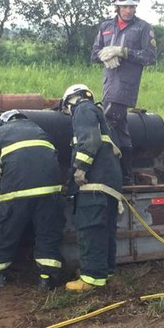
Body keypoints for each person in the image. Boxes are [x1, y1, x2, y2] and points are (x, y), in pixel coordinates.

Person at [0, 109, 66, 291]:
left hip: (16, 194)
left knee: (5, 233)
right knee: (48, 233)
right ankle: (46, 279)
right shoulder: (40, 131)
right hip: (50, 192)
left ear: (4, 122)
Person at [61, 83, 124, 291]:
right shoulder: (101, 116)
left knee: (90, 229)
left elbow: (89, 141)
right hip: (109, 184)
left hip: (94, 183)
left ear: (71, 100)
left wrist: (80, 168)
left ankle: (90, 279)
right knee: (104, 231)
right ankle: (104, 273)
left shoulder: (83, 109)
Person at [91, 0, 157, 185]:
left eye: (132, 7)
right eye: (125, 6)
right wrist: (104, 54)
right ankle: (127, 175)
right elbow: (94, 54)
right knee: (120, 129)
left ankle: (112, 172)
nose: (129, 10)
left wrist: (123, 52)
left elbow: (150, 57)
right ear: (117, 7)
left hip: (126, 85)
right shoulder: (106, 26)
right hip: (109, 83)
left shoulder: (143, 28)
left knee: (109, 122)